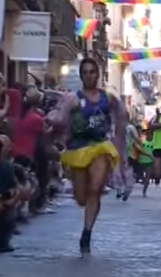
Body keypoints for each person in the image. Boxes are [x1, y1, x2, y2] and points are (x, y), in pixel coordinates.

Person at [47, 58, 128, 255]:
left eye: (93, 72)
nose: (89, 75)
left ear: (98, 75)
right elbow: (59, 118)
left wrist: (120, 138)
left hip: (100, 147)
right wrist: (52, 126)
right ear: (81, 76)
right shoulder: (73, 99)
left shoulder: (108, 98)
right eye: (85, 72)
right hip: (77, 150)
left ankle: (87, 232)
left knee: (96, 187)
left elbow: (121, 117)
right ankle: (86, 205)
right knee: (81, 197)